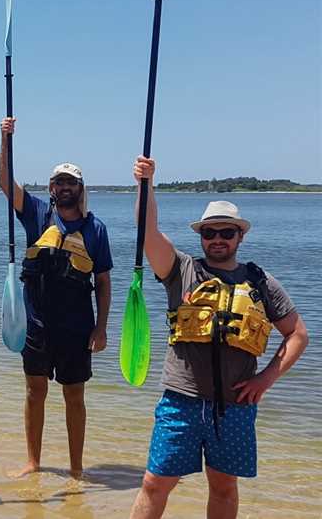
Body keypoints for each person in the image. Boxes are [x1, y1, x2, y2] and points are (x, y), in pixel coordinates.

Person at [129, 156, 308, 519]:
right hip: (181, 401)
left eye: (227, 232)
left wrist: (267, 377)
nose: (218, 239)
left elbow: (298, 334)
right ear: (201, 236)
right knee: (154, 483)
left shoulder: (261, 282)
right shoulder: (181, 270)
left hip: (235, 406)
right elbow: (147, 231)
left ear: (241, 235)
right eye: (210, 233)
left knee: (224, 486)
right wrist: (145, 184)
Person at [0, 117, 113, 478]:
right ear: (50, 187)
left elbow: (104, 280)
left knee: (74, 396)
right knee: (35, 390)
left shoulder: (96, 229)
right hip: (36, 321)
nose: (65, 187)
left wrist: (101, 327)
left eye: (71, 182)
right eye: (59, 181)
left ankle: (77, 469)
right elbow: (5, 183)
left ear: (80, 188)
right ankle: (33, 462)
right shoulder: (35, 213)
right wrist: (5, 139)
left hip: (77, 324)